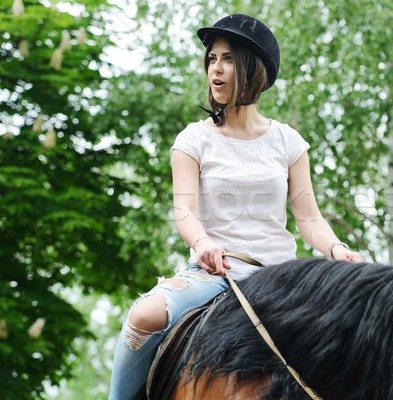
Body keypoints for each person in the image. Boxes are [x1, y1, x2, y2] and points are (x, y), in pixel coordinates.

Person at [108, 13, 363, 399]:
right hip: (215, 274)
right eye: (211, 58)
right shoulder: (194, 139)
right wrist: (203, 243)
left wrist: (336, 249)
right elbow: (185, 212)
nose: (216, 68)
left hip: (279, 279)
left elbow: (309, 218)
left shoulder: (288, 142)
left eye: (227, 58)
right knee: (144, 315)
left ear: (253, 68)